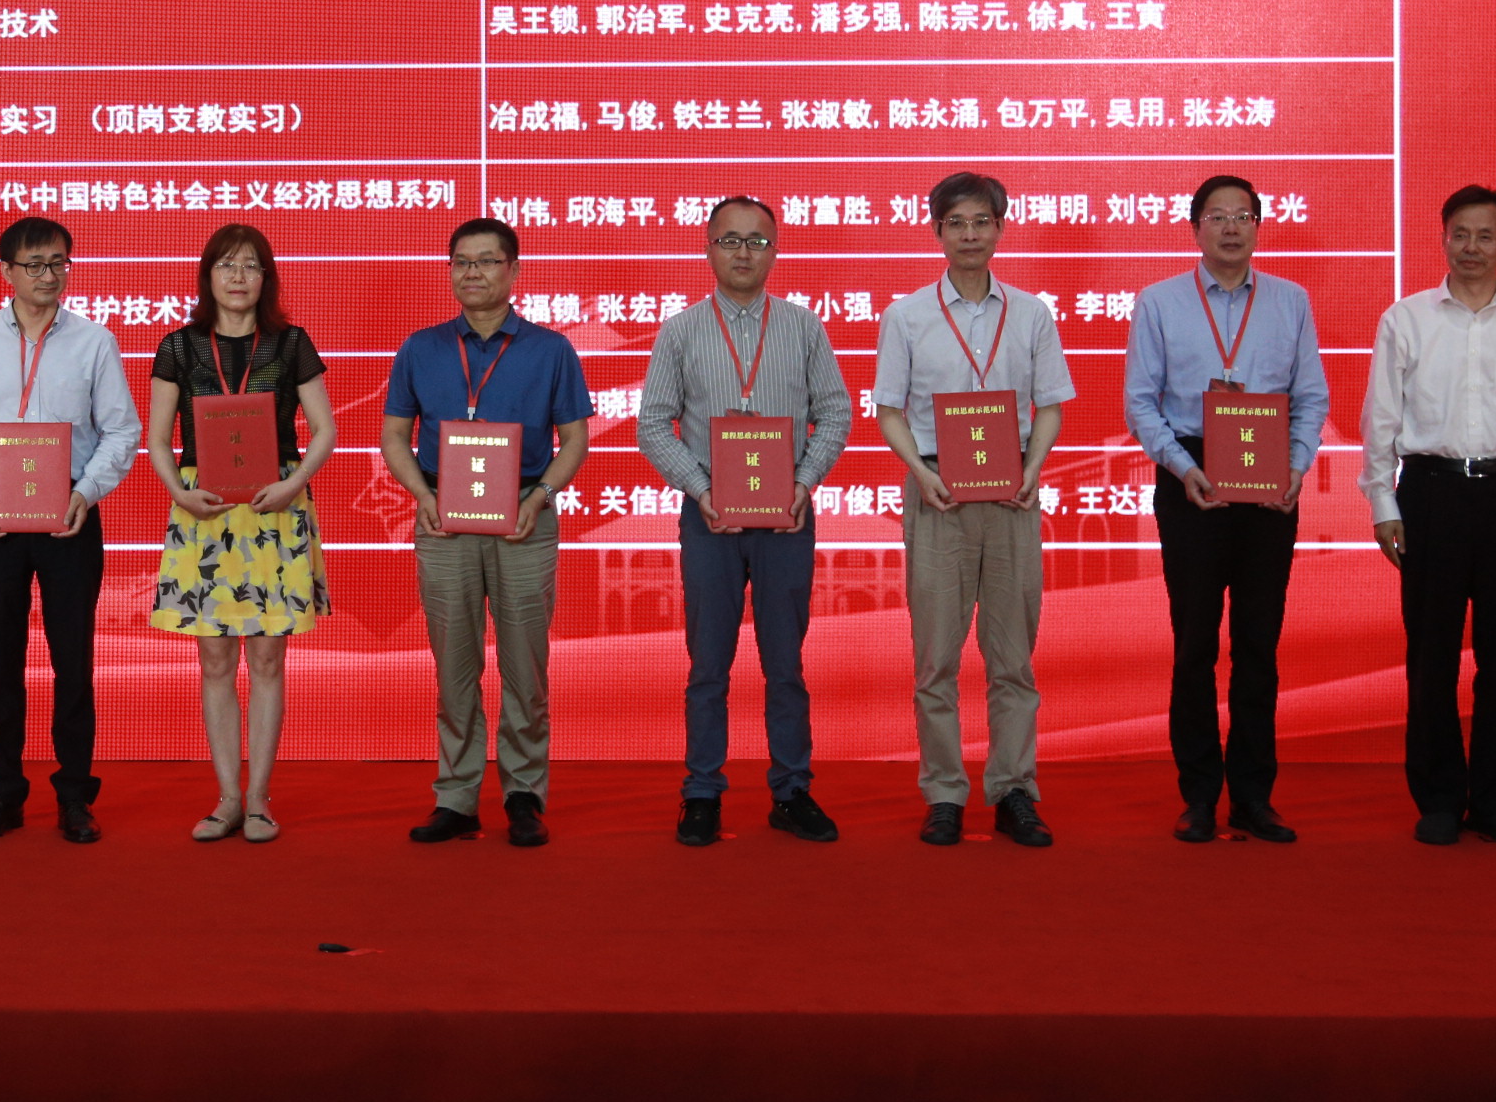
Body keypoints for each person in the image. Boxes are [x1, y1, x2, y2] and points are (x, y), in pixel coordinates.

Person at [1361, 184, 1496, 847]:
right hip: (1431, 496)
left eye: (1486, 236)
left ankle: (1495, 801)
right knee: (1431, 655)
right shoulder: (1406, 319)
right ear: (1443, 238)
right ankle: (1437, 798)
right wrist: (1382, 502)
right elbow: (1381, 418)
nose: (1471, 248)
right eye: (1460, 234)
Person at [637, 196, 853, 847]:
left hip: (786, 518)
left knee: (785, 664)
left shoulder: (804, 327)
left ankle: (792, 791)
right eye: (729, 240)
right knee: (708, 664)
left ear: (775, 252)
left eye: (756, 241)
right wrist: (701, 488)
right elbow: (653, 424)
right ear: (708, 249)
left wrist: (802, 484)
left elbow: (836, 412)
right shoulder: (680, 331)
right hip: (710, 520)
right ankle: (702, 792)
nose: (742, 252)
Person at [1123, 175, 1329, 845]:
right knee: (1195, 646)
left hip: (1269, 477)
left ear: (1259, 227)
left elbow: (1312, 397)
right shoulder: (1159, 302)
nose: (1231, 227)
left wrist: (1296, 468)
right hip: (1191, 475)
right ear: (1196, 228)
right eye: (1217, 216)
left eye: (1243, 216)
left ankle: (1253, 797)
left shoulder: (1291, 301)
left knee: (1259, 646)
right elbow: (1141, 401)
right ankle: (1200, 796)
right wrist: (1182, 468)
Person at [380, 218, 595, 848]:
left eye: (486, 261)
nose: (471, 272)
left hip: (524, 518)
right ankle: (456, 797)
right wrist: (421, 497)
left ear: (513, 271)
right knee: (454, 664)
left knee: (526, 664)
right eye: (461, 262)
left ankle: (524, 793)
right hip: (444, 519)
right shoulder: (421, 348)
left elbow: (574, 438)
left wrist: (541, 497)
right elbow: (394, 436)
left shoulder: (550, 349)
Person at [874, 170, 1073, 849]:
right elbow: (890, 410)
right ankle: (944, 792)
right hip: (939, 493)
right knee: (936, 659)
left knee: (1012, 656)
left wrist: (1034, 469)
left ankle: (1014, 788)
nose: (969, 235)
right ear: (937, 232)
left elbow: (1050, 404)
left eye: (981, 222)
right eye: (956, 223)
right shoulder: (906, 316)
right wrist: (919, 473)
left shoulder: (1032, 313)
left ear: (1000, 229)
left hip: (1012, 493)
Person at [0, 215, 140, 845]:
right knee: (1, 659)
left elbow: (122, 431)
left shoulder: (94, 342)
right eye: (35, 265)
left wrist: (84, 493)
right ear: (7, 272)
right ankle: (4, 794)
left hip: (70, 515)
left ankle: (74, 796)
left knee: (73, 659)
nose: (49, 276)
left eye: (58, 263)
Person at [145, 224, 335, 843]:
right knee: (215, 657)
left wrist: (292, 484)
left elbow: (325, 430)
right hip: (204, 509)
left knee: (269, 657)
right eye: (226, 265)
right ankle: (226, 797)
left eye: (251, 266)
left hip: (274, 506)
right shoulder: (179, 346)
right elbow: (158, 438)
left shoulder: (290, 343)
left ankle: (258, 800)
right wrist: (179, 493)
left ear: (265, 278)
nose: (237, 277)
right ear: (208, 276)